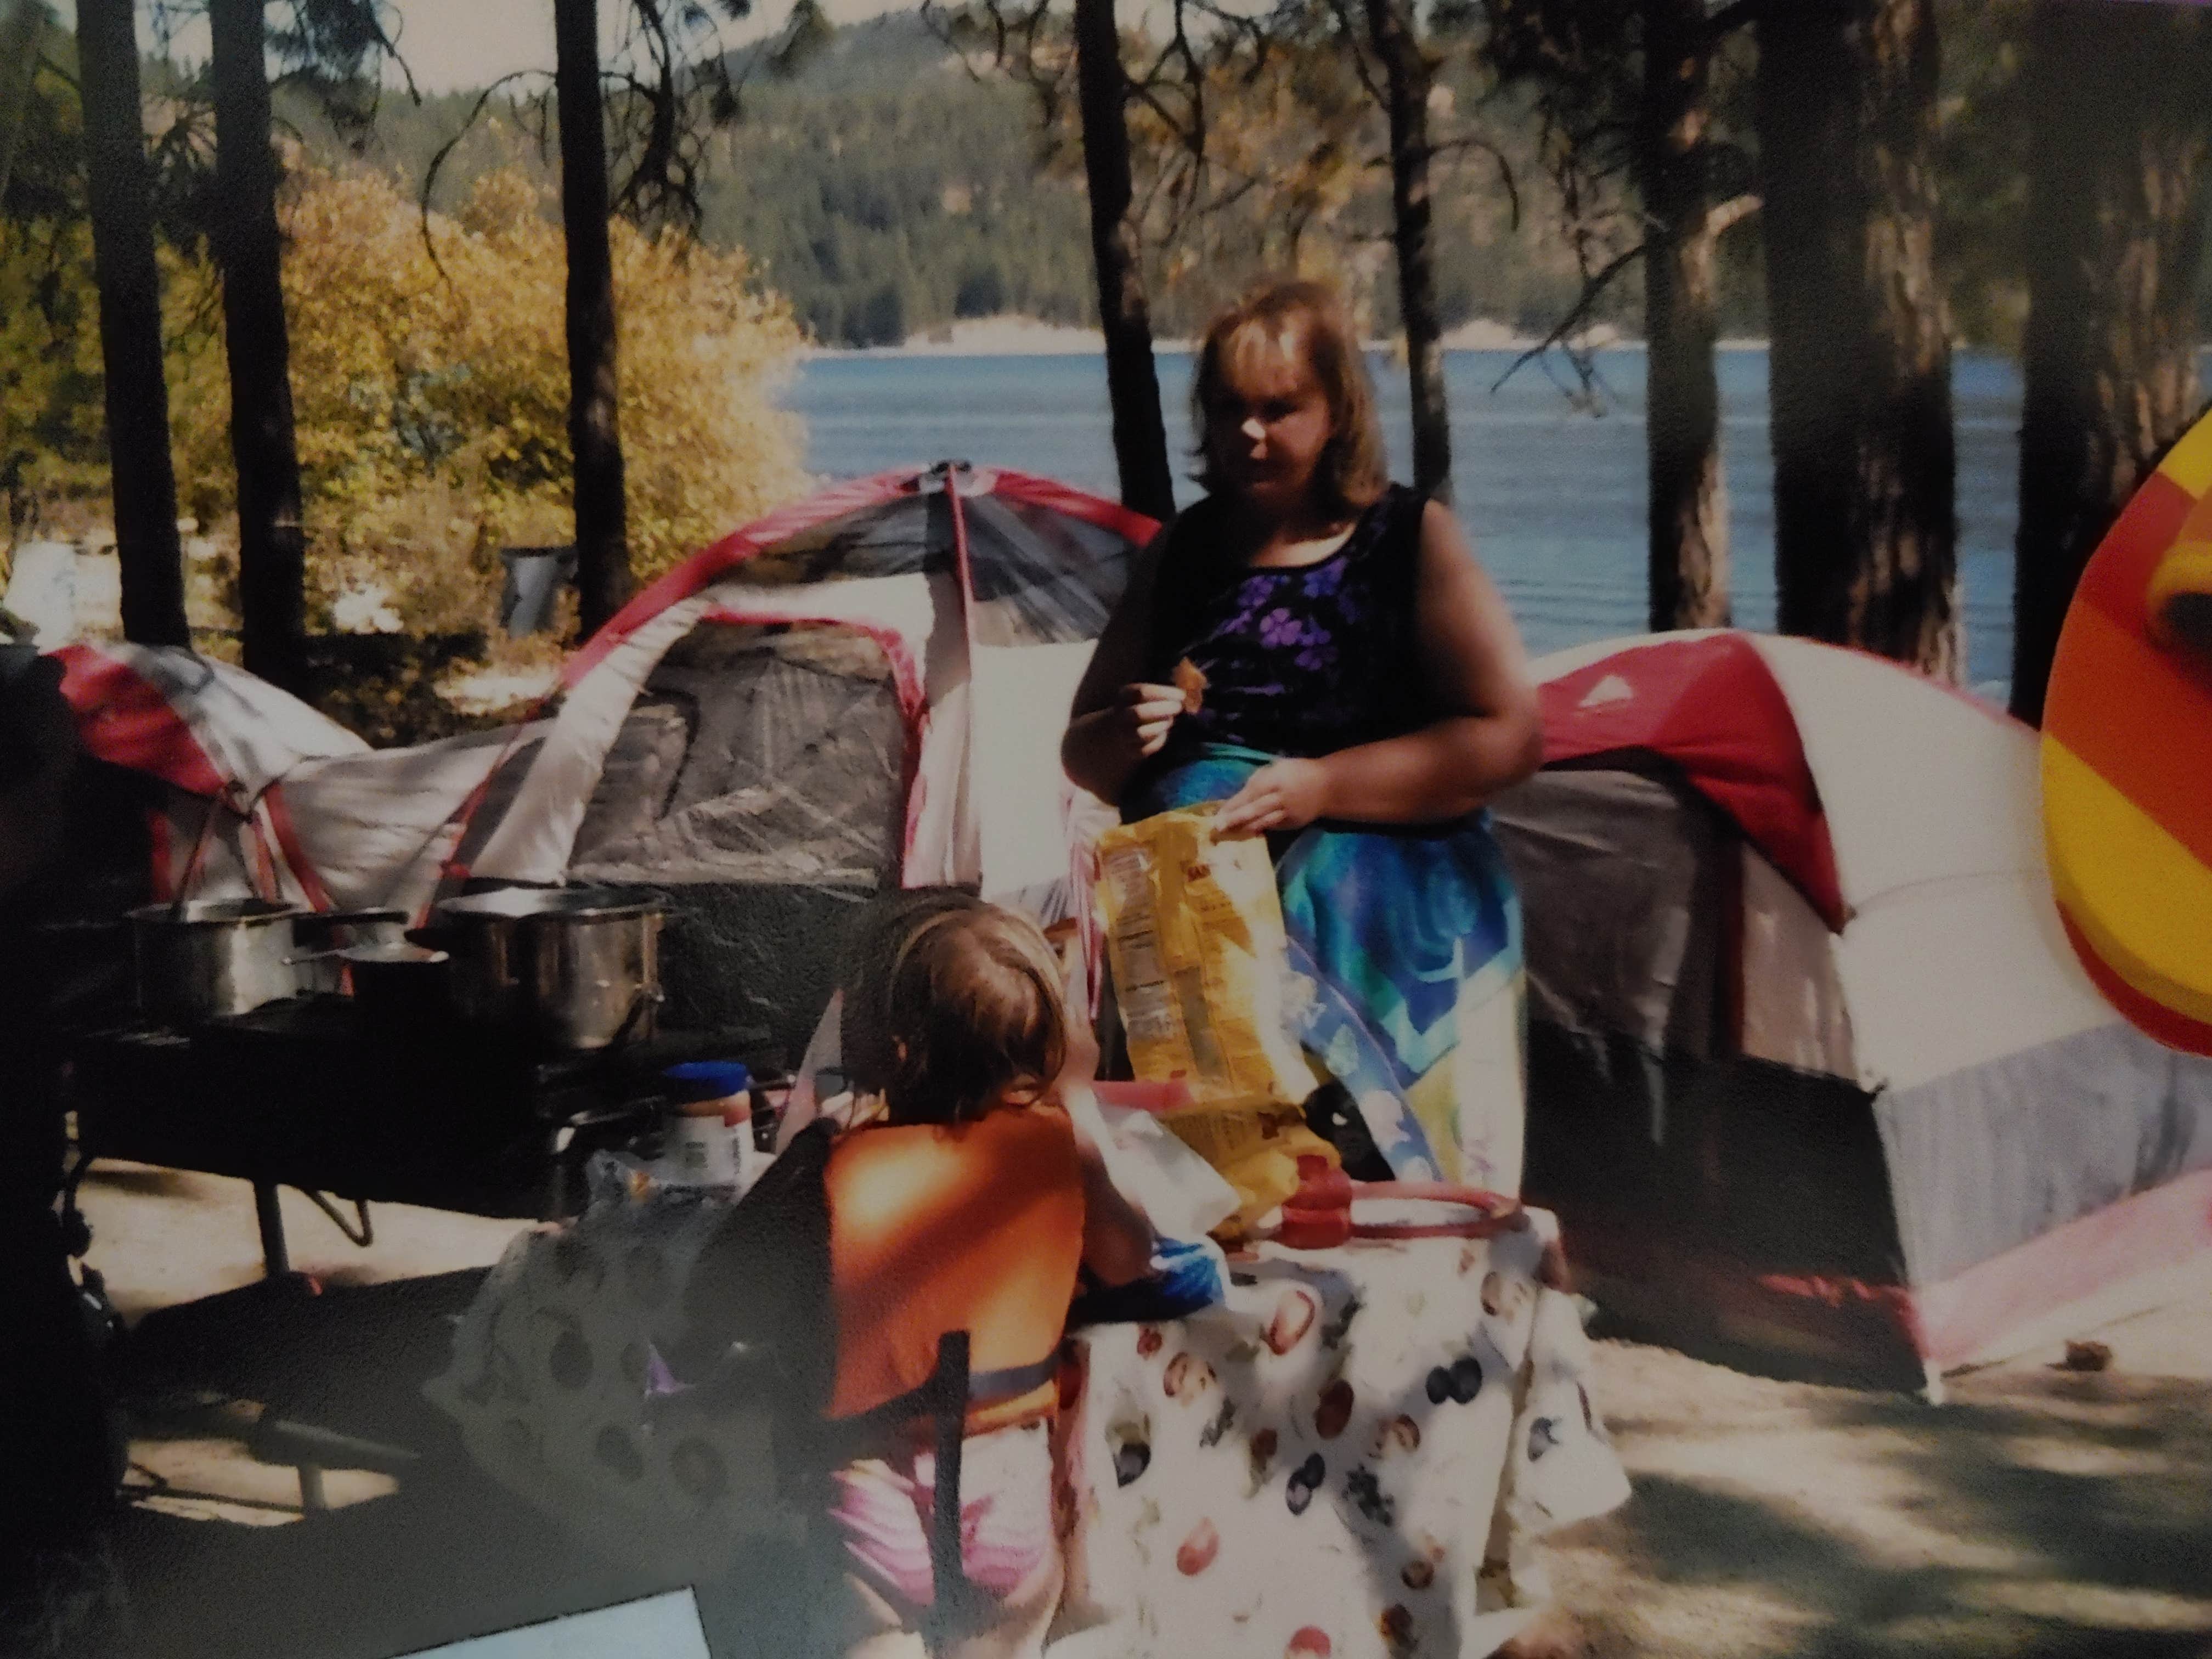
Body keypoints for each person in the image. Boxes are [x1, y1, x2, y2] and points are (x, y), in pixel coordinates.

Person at [1063, 278, 1545, 1190]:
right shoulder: (1185, 552)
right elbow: (1082, 750)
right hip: (1196, 958)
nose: (1250, 433)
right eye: (1229, 409)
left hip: (1375, 933)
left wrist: (1324, 788)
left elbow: (1511, 737)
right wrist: (1125, 733)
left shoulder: (1407, 540)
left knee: (1361, 1213)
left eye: (1280, 409)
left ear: (1338, 413)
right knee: (1218, 1214)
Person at [679, 889, 1154, 1659]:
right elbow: (1132, 1255)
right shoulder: (1059, 1150)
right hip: (1007, 1495)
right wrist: (1079, 1102)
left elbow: (722, 1295)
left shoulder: (830, 1165)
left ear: (892, 1048)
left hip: (874, 1489)